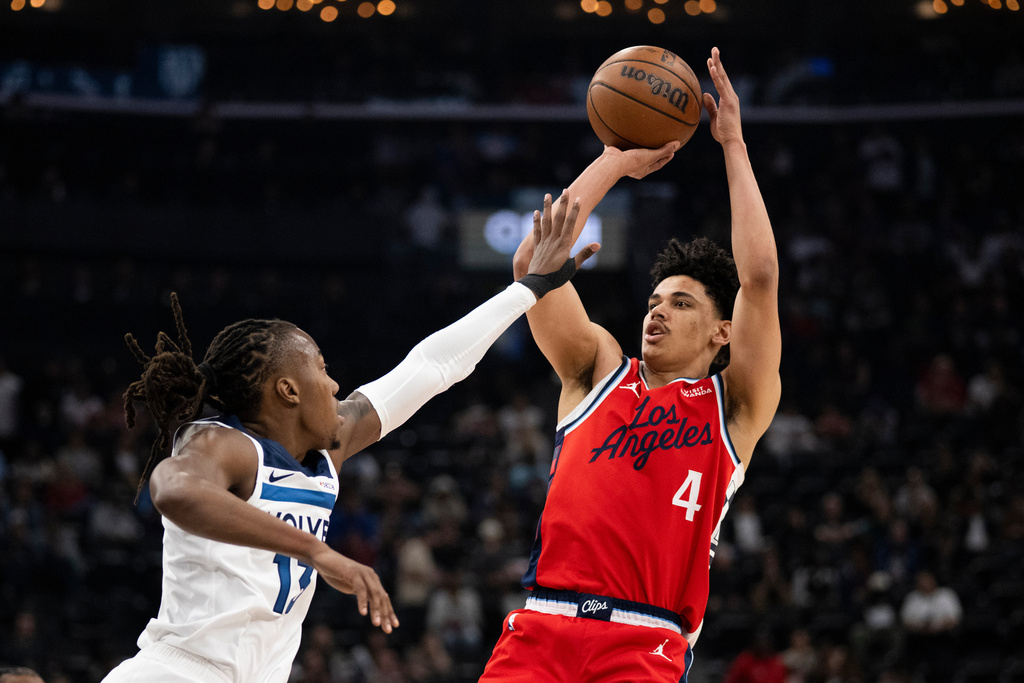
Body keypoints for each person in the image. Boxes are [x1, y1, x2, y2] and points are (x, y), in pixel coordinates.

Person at [99, 189, 655, 683]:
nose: (335, 381)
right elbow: (173, 492)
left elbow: (431, 368)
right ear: (287, 391)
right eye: (319, 368)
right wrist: (318, 552)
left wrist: (529, 290)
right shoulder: (223, 443)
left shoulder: (328, 448)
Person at [480, 47, 781, 681]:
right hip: (541, 627)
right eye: (653, 301)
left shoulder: (736, 405)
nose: (657, 312)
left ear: (722, 332)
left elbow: (759, 279)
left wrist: (733, 145)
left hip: (644, 642)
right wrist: (613, 161)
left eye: (680, 303)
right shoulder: (598, 371)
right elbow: (532, 264)